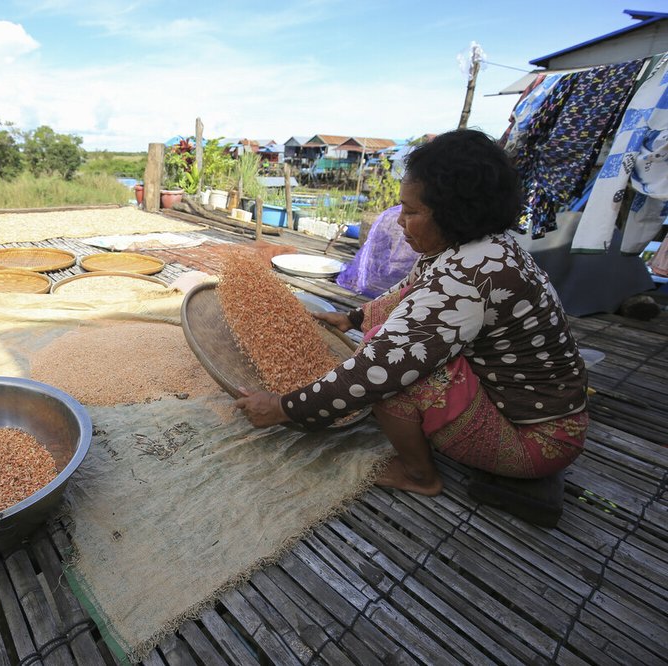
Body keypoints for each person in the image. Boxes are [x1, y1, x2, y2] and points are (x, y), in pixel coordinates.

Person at [235, 129, 589, 496]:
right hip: (540, 413)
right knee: (390, 343)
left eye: (412, 211)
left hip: (537, 441)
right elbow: (410, 290)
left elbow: (381, 368)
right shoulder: (485, 247)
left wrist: (284, 408)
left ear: (454, 214)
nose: (400, 221)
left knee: (398, 372)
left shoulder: (465, 278)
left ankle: (419, 475)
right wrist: (352, 318)